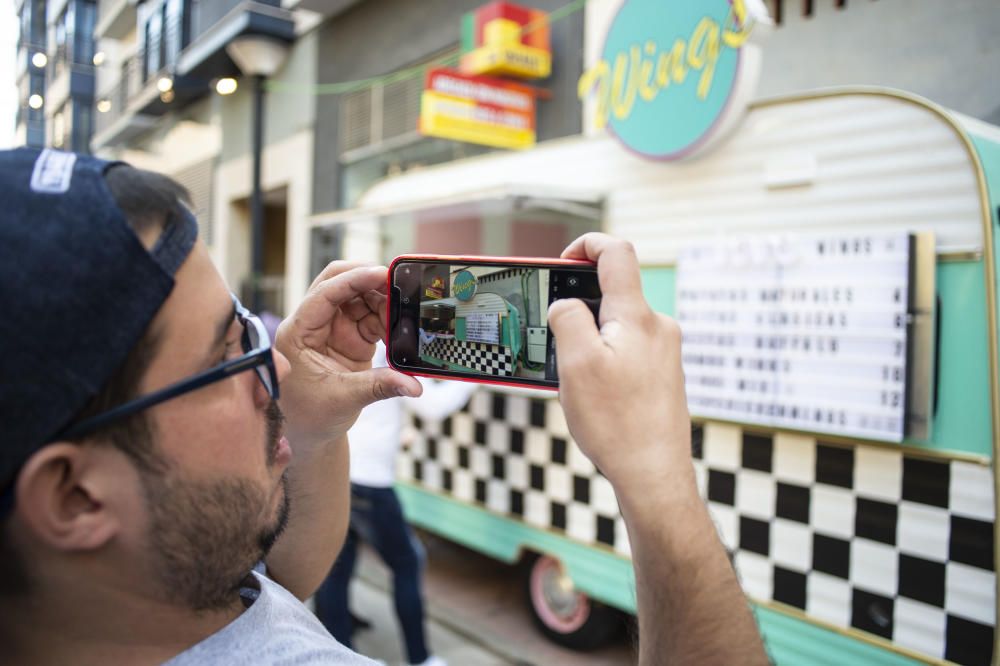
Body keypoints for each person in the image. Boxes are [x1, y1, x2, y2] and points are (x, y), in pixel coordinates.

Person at [0, 147, 768, 665]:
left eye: (248, 326)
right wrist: (659, 478)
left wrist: (311, 429)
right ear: (72, 496)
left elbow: (281, 578)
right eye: (225, 354)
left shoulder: (148, 593)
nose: (269, 367)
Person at [314, 341, 474, 666]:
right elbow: (433, 405)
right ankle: (420, 658)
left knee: (337, 563)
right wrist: (477, 373)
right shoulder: (391, 349)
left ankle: (338, 645)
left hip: (340, 466)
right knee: (407, 562)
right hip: (371, 479)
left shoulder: (348, 343)